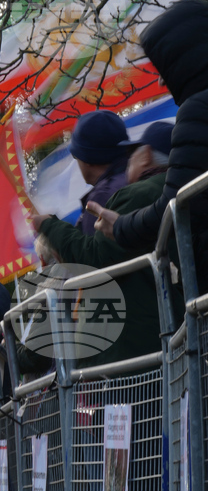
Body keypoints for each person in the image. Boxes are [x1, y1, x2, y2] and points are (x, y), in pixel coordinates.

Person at [32, 121, 175, 367]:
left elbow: (94, 261)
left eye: (134, 152)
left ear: (146, 156)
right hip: (159, 335)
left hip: (129, 348)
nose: (128, 159)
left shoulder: (130, 194)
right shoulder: (170, 192)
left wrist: (49, 227)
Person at [94, 0, 208, 292]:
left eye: (164, 67)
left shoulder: (198, 110)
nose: (160, 82)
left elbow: (176, 209)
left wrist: (119, 226)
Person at [66, 110, 131, 235]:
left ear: (87, 158)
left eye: (76, 156)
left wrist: (48, 227)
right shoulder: (140, 175)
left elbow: (90, 247)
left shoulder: (102, 198)